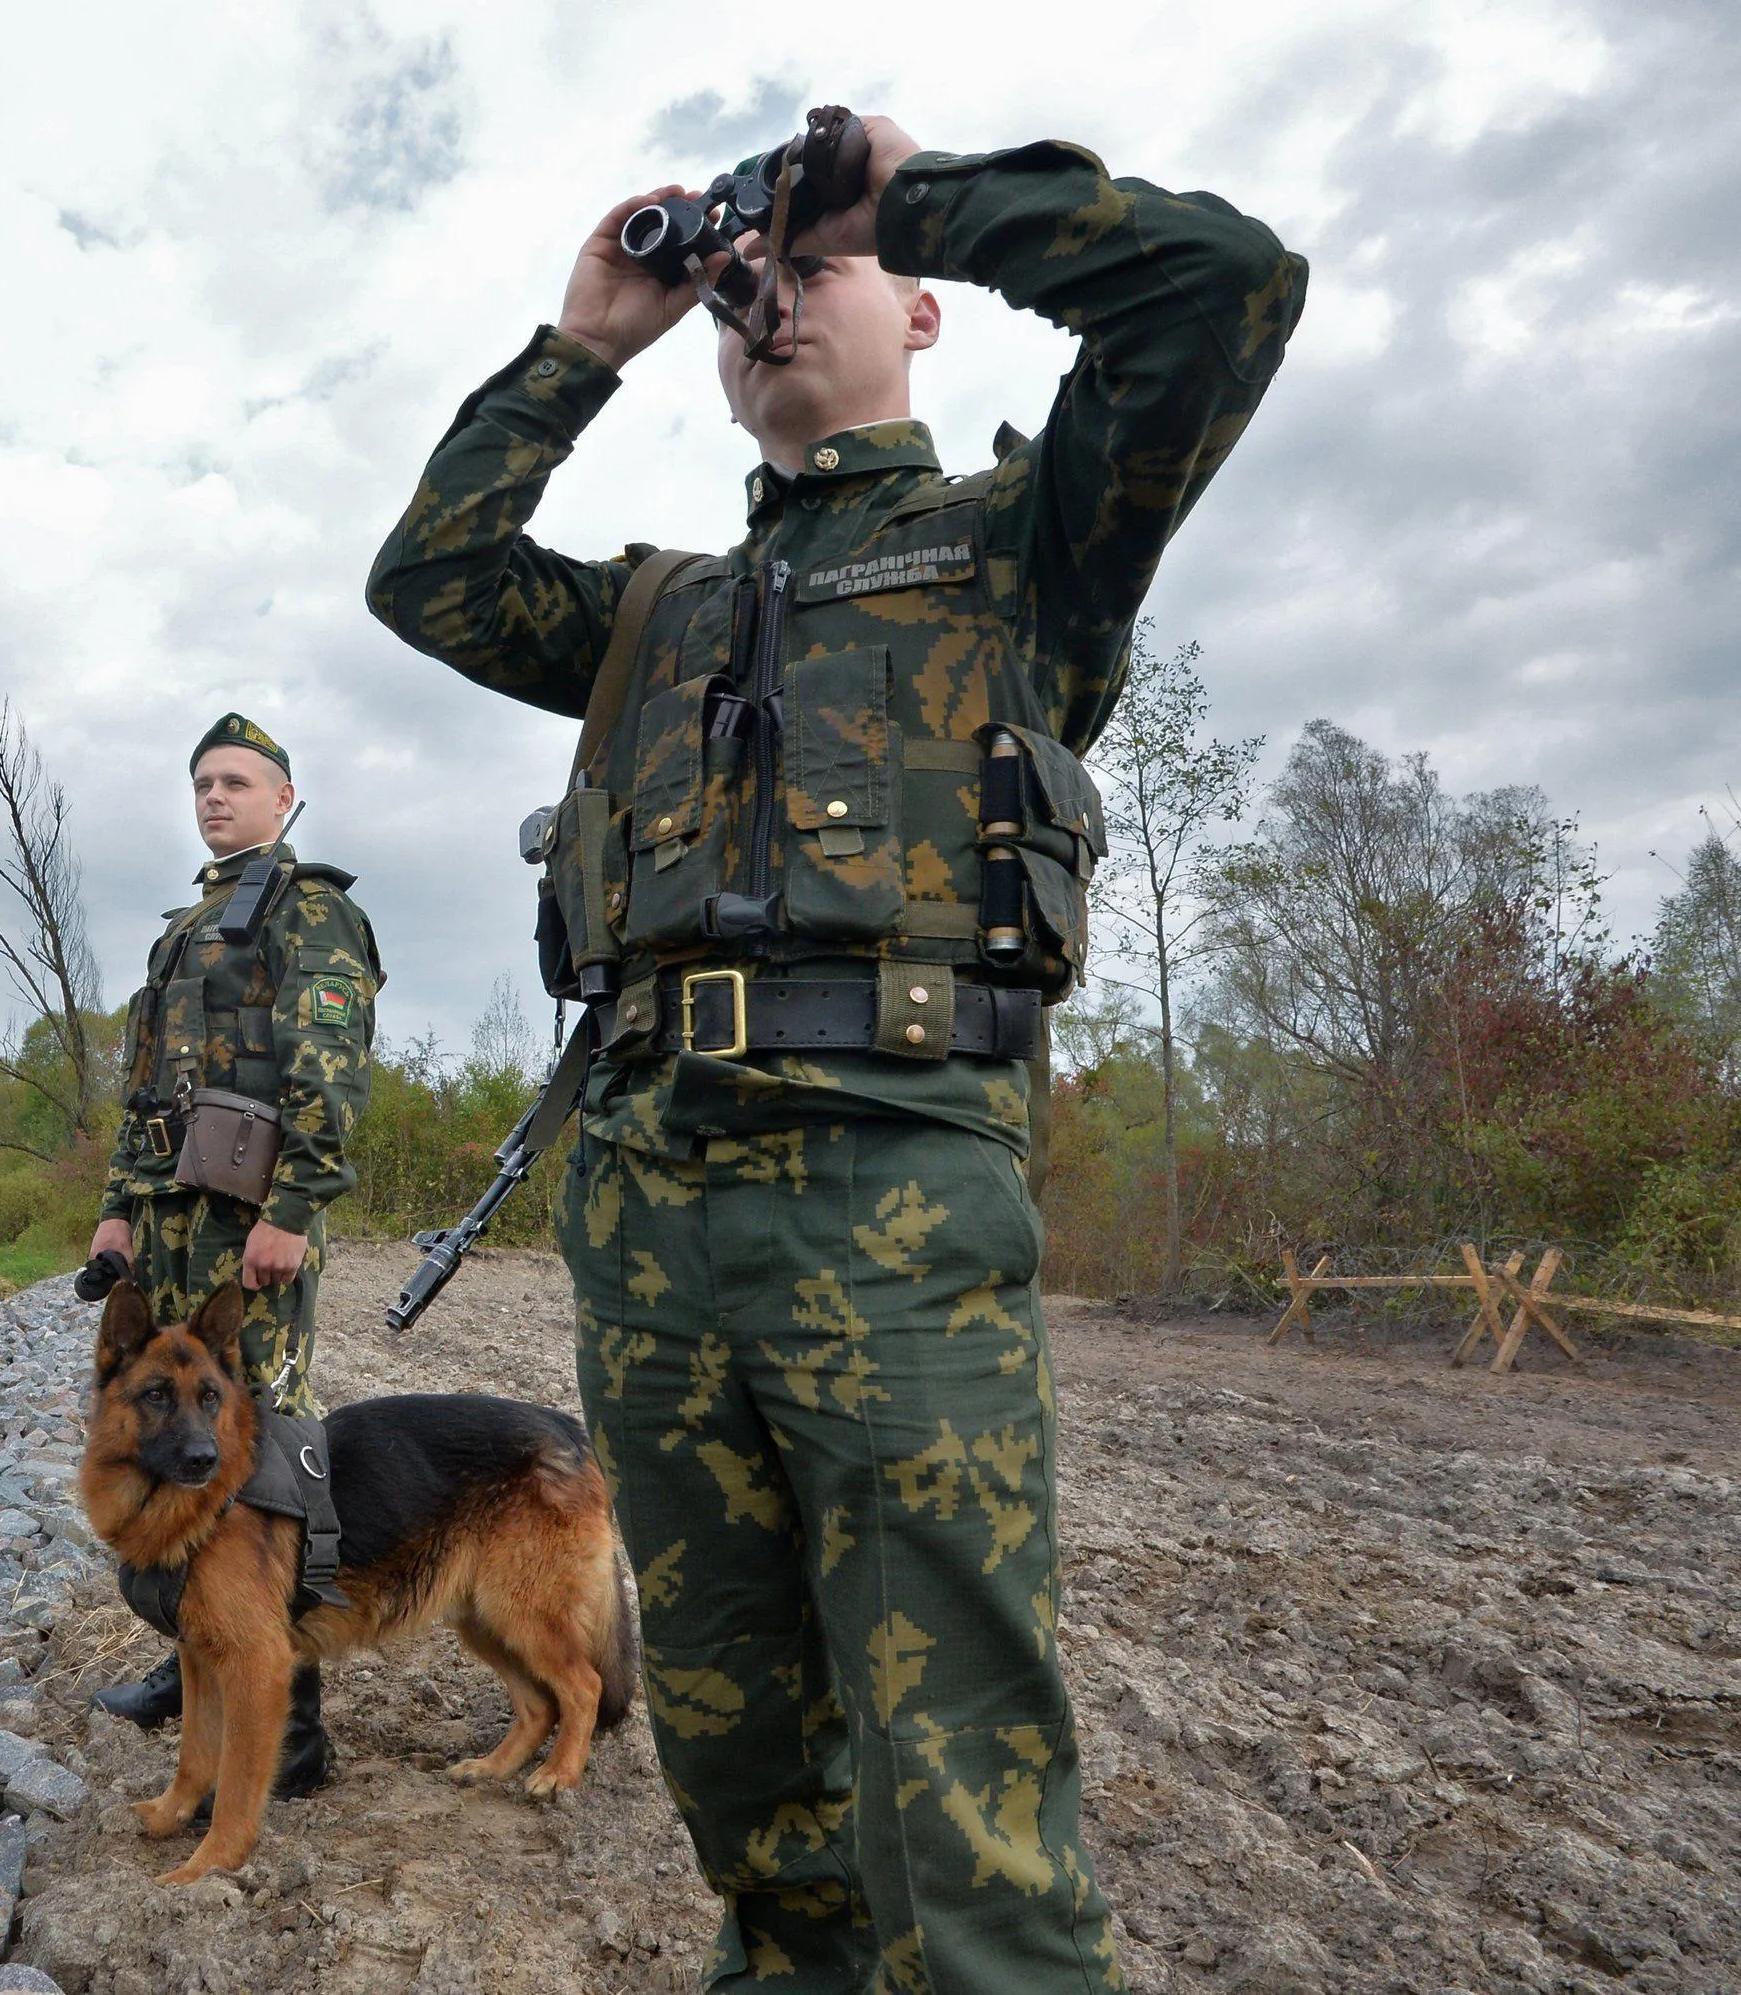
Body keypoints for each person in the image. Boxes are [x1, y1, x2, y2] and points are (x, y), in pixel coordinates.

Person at [364, 114, 1303, 1992]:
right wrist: (585, 343)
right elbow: (430, 578)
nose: (766, 302)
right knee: (736, 1758)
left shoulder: (1021, 549)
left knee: (958, 1788)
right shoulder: (658, 611)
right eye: (741, 292)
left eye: (818, 274)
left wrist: (911, 192)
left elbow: (1226, 291)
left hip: (896, 1197)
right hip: (650, 1219)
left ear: (927, 319)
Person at [84, 713, 383, 1794]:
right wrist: (118, 1207)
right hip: (166, 1225)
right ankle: (193, 1652)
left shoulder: (312, 913)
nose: (214, 797)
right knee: (171, 1443)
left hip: (248, 1229)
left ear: (285, 799)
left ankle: (292, 1728)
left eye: (237, 782)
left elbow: (331, 1073)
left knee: (264, 1453)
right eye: (203, 782)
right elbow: (147, 1088)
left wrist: (295, 1208)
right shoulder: (192, 922)